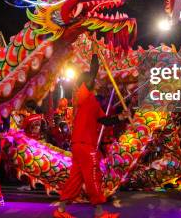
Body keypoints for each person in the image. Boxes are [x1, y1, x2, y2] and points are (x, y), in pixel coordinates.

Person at [54, 53, 128, 218]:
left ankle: (60, 211)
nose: (98, 81)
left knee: (75, 179)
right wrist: (95, 54)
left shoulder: (92, 101)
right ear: (89, 82)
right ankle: (100, 213)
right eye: (95, 79)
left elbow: (105, 120)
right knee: (94, 176)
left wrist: (121, 117)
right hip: (85, 145)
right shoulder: (83, 94)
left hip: (80, 145)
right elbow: (93, 72)